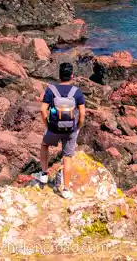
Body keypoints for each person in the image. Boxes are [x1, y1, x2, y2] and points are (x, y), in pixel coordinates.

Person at [38, 62, 86, 199]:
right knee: (67, 157)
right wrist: (78, 127)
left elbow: (42, 110)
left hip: (53, 127)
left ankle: (44, 174)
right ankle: (65, 189)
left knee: (44, 145)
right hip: (70, 129)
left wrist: (47, 125)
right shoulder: (76, 92)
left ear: (59, 75)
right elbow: (82, 114)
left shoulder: (50, 90)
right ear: (72, 76)